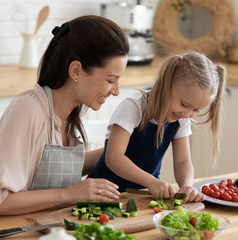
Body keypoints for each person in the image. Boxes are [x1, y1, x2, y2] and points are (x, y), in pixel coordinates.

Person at [0, 15, 129, 223]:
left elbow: (49, 172)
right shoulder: (28, 110)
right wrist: (71, 193)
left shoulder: (68, 113)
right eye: (110, 80)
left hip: (49, 228)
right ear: (76, 71)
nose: (116, 91)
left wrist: (118, 150)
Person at [88, 52, 226, 203]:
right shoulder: (133, 107)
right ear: (166, 85)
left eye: (195, 110)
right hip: (103, 195)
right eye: (185, 105)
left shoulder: (180, 118)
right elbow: (114, 157)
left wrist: (186, 186)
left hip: (142, 196)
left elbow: (183, 162)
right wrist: (151, 182)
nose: (187, 114)